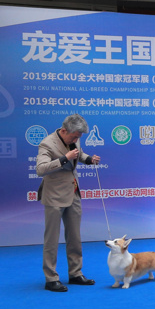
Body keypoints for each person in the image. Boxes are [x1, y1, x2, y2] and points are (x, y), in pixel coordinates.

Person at [36, 113, 102, 292]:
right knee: (51, 239)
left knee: (75, 237)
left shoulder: (75, 138)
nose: (76, 140)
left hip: (73, 193)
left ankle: (75, 273)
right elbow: (40, 169)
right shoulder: (47, 144)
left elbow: (78, 154)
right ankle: (51, 278)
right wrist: (64, 158)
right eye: (74, 137)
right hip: (54, 196)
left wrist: (88, 159)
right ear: (64, 131)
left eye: (79, 137)